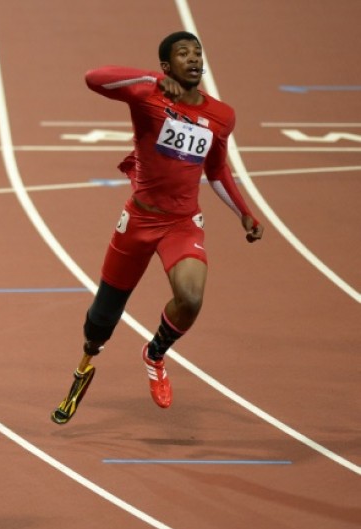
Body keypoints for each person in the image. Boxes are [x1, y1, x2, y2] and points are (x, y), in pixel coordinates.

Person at [75, 31, 263, 410]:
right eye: (182, 53)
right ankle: (89, 354)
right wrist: (154, 80)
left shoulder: (221, 116)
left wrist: (244, 212)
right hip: (139, 222)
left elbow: (216, 169)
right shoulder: (148, 96)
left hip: (182, 224)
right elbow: (94, 77)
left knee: (191, 299)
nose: (193, 58)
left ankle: (155, 354)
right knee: (102, 319)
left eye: (197, 52)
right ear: (168, 65)